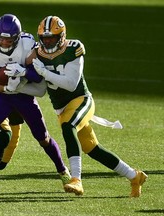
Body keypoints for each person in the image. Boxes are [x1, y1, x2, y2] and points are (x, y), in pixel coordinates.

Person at [30, 15, 147, 197]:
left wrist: (44, 71)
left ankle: (76, 180)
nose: (49, 42)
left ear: (62, 36)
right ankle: (134, 176)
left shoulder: (73, 48)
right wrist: (17, 80)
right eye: (45, 39)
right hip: (62, 109)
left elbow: (70, 83)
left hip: (81, 100)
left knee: (68, 127)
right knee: (93, 149)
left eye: (52, 38)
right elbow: (40, 91)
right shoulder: (37, 53)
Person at [0, 14, 70, 193]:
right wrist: (3, 88)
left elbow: (38, 75)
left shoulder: (27, 43)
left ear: (17, 37)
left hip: (24, 94)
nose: (4, 43)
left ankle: (63, 172)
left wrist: (23, 72)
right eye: (0, 38)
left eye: (9, 40)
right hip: (3, 96)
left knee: (43, 139)